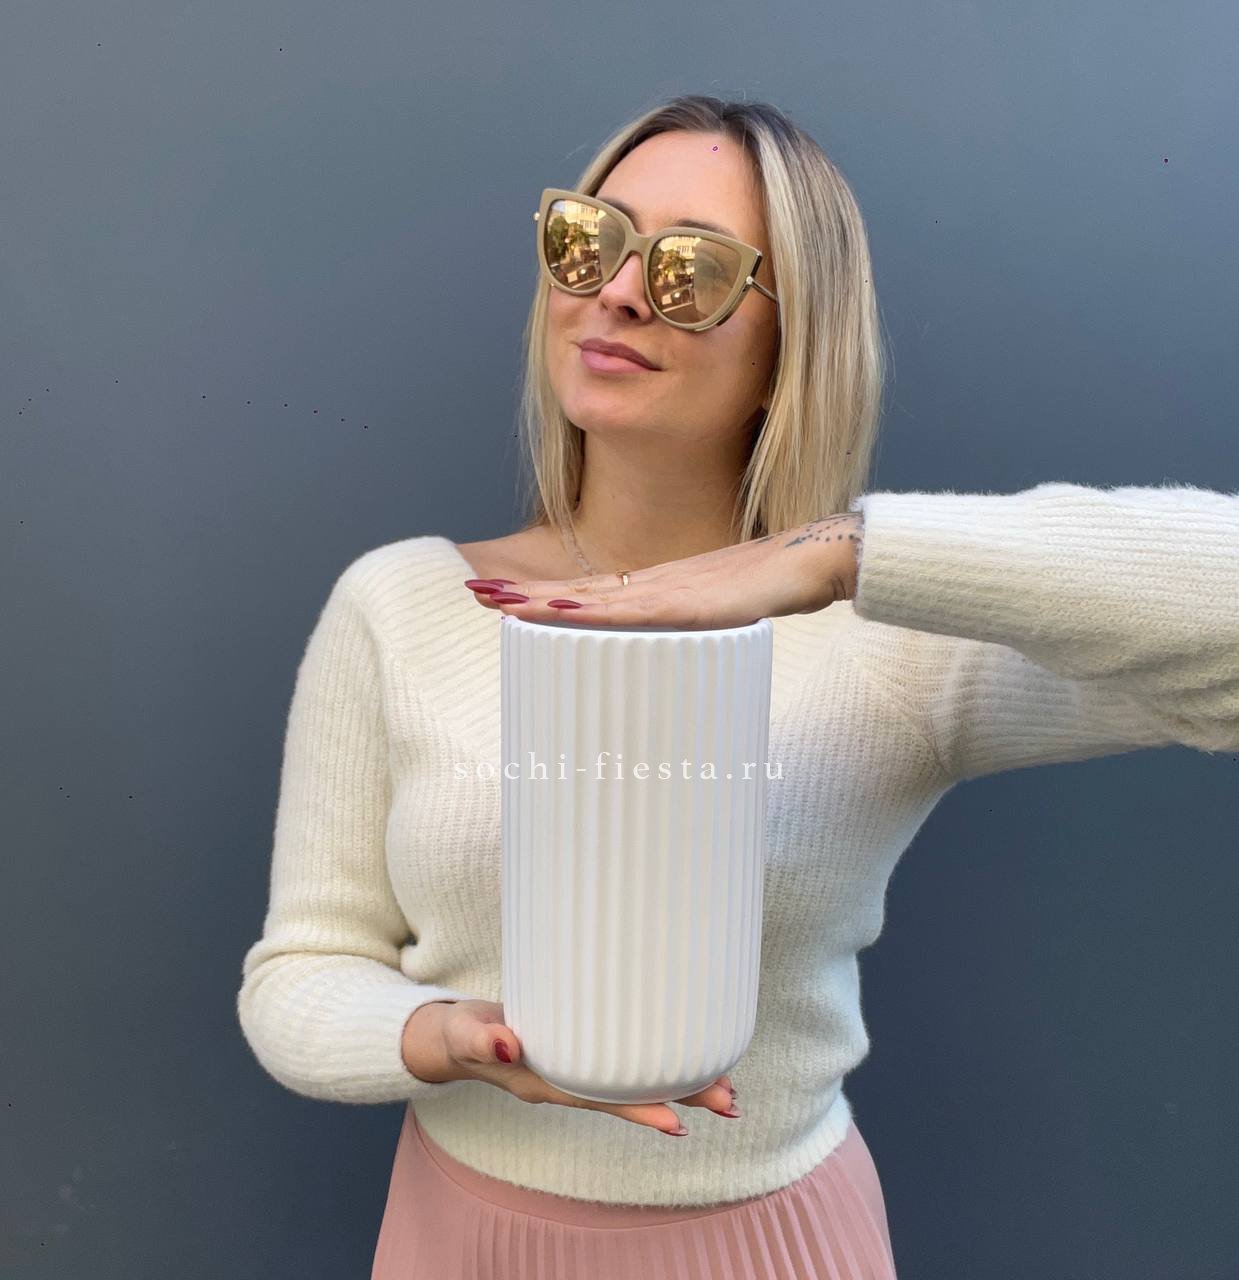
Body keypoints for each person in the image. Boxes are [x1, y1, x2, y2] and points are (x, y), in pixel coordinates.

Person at [236, 94, 1239, 1280]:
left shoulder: (889, 638)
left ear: (792, 344)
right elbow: (301, 970)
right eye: (588, 241)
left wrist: (843, 554)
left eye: (690, 270)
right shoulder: (400, 604)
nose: (617, 291)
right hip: (456, 1238)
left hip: (770, 1246)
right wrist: (440, 1035)